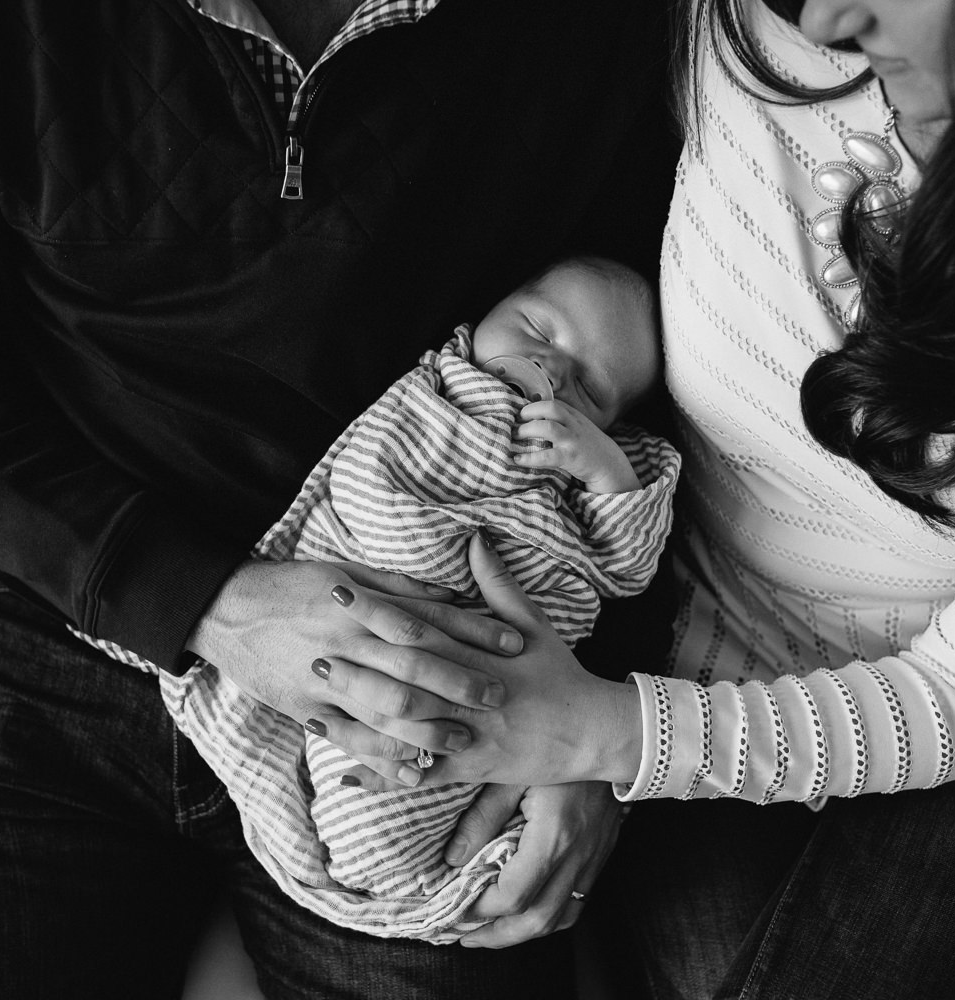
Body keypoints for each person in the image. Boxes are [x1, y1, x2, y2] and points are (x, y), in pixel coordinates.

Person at [0, 0, 678, 996]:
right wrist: (208, 602)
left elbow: (667, 390)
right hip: (70, 650)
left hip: (439, 691)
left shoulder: (602, 25)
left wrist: (596, 739)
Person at [317, 0, 955, 994]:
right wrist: (577, 697)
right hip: (703, 647)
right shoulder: (749, 30)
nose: (829, 13)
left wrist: (596, 732)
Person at [112, 256, 677, 942]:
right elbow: (371, 479)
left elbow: (626, 569)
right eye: (537, 329)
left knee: (395, 794)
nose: (551, 373)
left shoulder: (592, 466)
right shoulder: (440, 385)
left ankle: (404, 881)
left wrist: (609, 474)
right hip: (300, 606)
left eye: (589, 386)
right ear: (489, 311)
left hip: (498, 677)